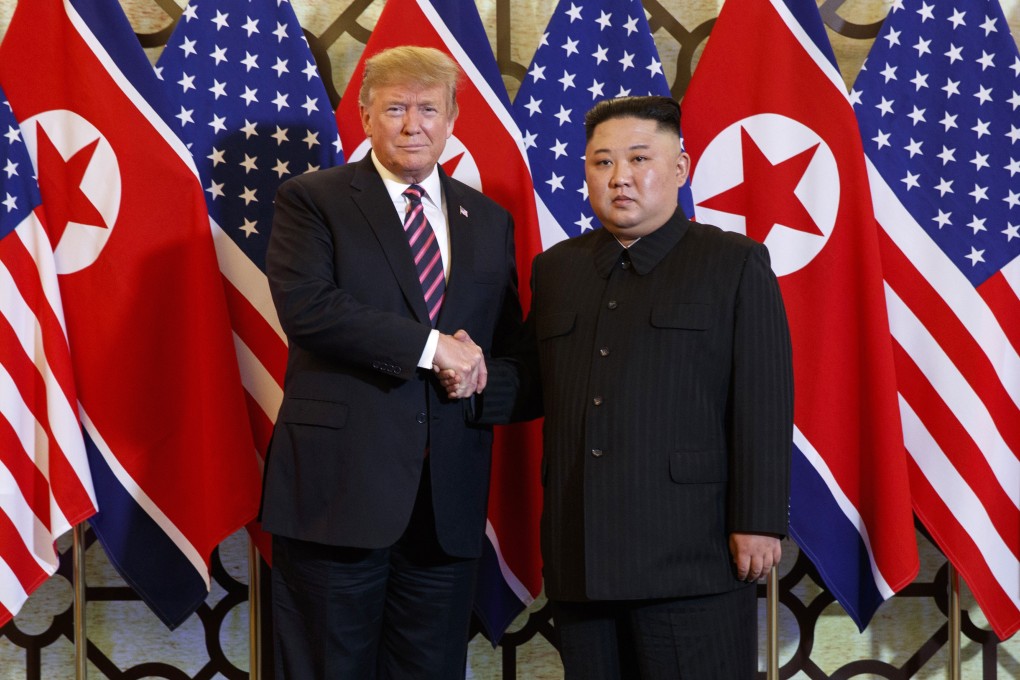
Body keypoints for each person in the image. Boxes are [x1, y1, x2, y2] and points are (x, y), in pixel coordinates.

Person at [450, 96, 793, 678]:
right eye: (602, 163)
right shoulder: (558, 267)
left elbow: (763, 398)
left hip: (690, 552)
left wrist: (758, 518)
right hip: (580, 552)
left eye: (639, 159)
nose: (621, 178)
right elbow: (533, 379)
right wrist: (465, 374)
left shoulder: (732, 263)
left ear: (680, 168)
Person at [259, 45, 524, 679]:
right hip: (338, 498)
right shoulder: (312, 199)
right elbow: (310, 309)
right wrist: (437, 351)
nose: (413, 125)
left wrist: (480, 375)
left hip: (446, 509)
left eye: (428, 109)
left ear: (454, 117)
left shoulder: (488, 219)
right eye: (396, 108)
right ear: (365, 116)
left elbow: (506, 348)